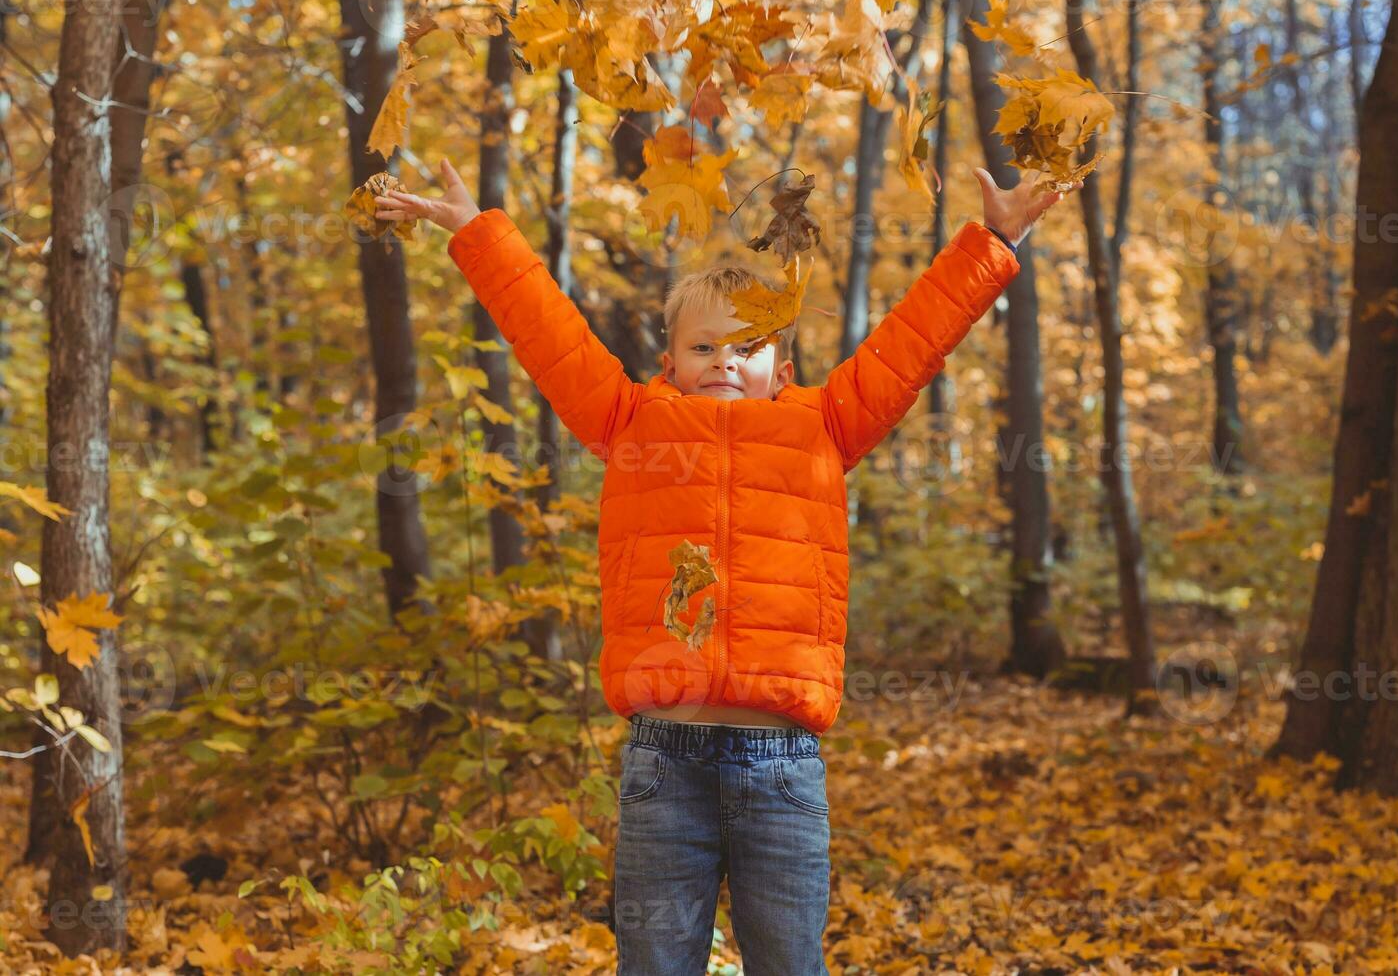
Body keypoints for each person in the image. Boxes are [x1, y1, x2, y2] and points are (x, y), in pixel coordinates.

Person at [376, 159, 1062, 975]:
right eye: (704, 346)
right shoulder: (631, 421)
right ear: (670, 360)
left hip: (783, 767)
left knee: (788, 962)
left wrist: (993, 239)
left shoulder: (826, 426)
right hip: (665, 762)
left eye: (748, 348)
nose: (726, 362)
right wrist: (477, 233)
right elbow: (551, 335)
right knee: (657, 961)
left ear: (784, 366)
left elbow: (913, 342)